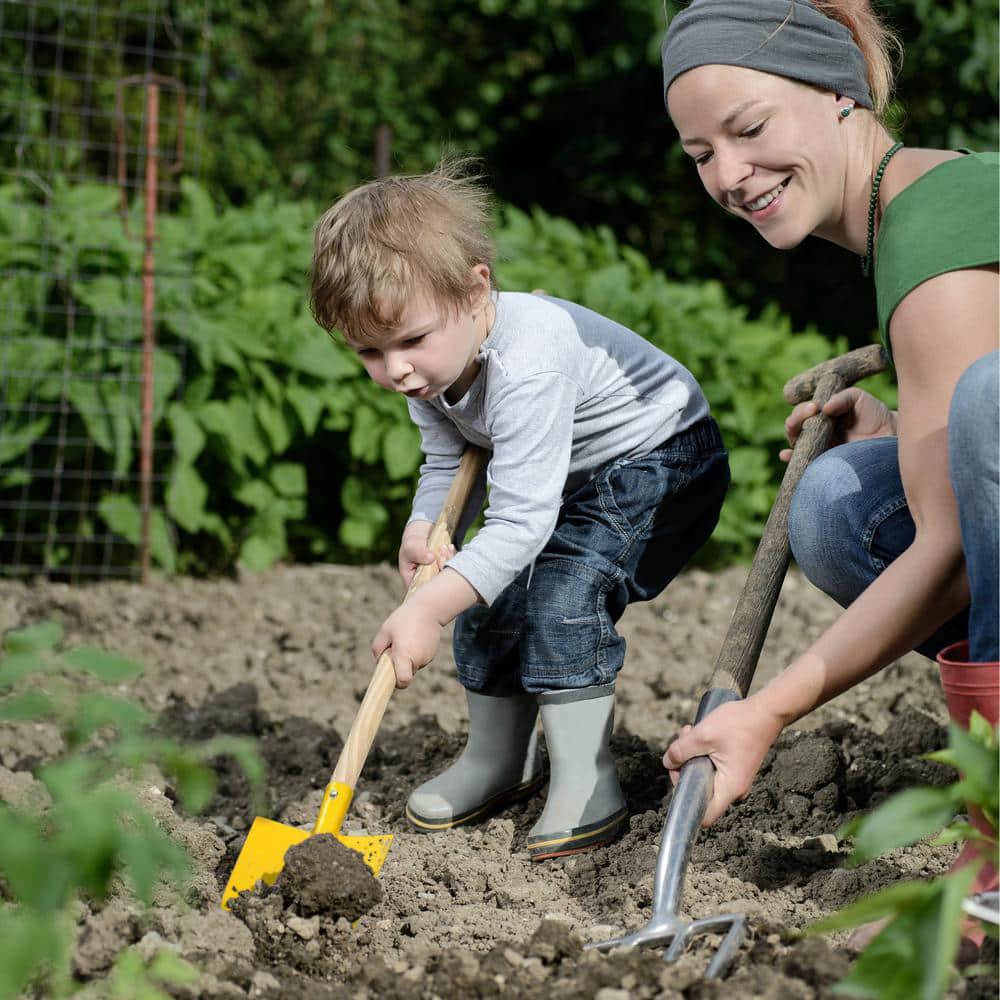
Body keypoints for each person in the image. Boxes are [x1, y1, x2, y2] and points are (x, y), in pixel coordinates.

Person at [658, 0, 999, 906]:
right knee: (841, 504)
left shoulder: (934, 232)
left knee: (990, 401)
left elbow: (951, 543)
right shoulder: (914, 209)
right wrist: (905, 428)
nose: (730, 174)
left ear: (839, 88)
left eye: (750, 128)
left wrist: (762, 713)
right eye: (701, 156)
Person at [309, 160, 730, 860]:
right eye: (369, 354)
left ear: (477, 291)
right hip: (567, 471)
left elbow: (522, 524)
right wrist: (426, 527)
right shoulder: (436, 369)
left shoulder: (528, 363)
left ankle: (586, 777)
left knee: (562, 592)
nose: (396, 372)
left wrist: (424, 610)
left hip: (661, 459)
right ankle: (498, 759)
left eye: (411, 341)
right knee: (487, 592)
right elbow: (449, 460)